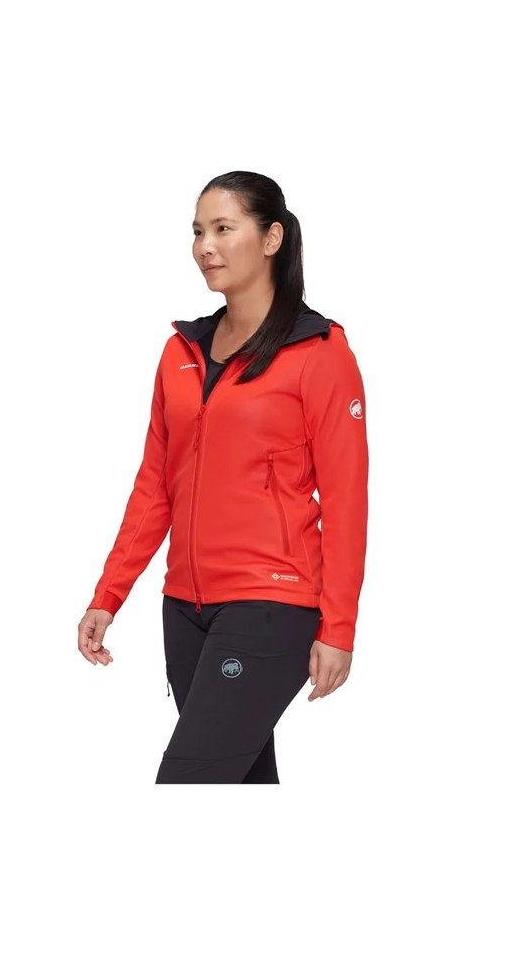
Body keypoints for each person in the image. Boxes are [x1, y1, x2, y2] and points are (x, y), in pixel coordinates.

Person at [78, 170, 368, 783]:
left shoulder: (319, 352)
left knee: (190, 783)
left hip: (271, 604)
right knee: (239, 784)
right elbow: (155, 485)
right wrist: (109, 594)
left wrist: (339, 627)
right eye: (197, 232)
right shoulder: (180, 352)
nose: (204, 247)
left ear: (271, 239)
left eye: (223, 229)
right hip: (184, 608)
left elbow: (347, 500)